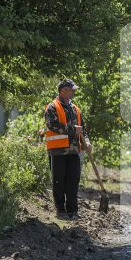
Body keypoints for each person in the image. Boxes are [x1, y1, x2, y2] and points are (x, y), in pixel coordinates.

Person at [44, 79, 92, 219]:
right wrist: (72, 129)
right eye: (71, 90)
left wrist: (87, 143)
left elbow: (82, 130)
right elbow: (52, 125)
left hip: (74, 151)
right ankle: (61, 211)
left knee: (73, 180)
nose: (73, 92)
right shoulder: (52, 107)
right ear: (63, 90)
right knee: (59, 181)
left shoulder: (75, 108)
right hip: (58, 151)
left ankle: (73, 211)